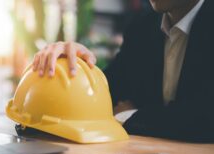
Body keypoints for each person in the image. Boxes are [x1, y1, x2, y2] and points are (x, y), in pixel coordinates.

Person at [32, 0, 214, 142]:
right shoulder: (143, 26)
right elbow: (104, 92)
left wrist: (127, 116)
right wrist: (74, 65)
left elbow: (204, 119)